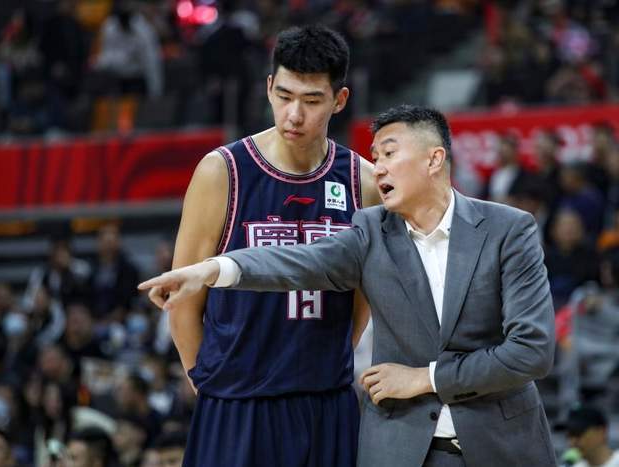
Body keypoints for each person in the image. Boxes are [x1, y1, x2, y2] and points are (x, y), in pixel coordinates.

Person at [140, 104, 557, 467]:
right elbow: (298, 261)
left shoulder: (508, 230)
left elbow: (531, 351)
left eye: (390, 154)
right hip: (401, 450)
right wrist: (213, 269)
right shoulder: (370, 231)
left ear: (434, 160)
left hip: (501, 446)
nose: (379, 168)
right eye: (375, 156)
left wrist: (426, 379)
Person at [146, 24, 380, 467]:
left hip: (325, 403)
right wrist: (211, 384)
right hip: (237, 402)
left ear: (340, 100)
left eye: (312, 101)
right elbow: (182, 301)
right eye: (284, 96)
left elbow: (361, 303)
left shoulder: (363, 182)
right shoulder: (222, 171)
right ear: (269, 87)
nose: (294, 114)